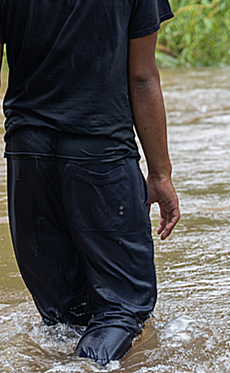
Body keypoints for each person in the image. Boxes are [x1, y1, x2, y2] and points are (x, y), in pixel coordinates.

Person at [0, 0, 180, 365]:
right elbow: (142, 76)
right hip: (100, 156)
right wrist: (160, 174)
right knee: (123, 307)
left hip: (27, 155)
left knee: (64, 317)